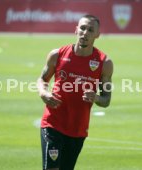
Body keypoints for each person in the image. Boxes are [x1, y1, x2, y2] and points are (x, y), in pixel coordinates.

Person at [37, 14, 113, 170]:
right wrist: (43, 93)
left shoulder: (104, 63)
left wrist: (96, 97)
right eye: (83, 28)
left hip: (77, 129)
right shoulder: (57, 55)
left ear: (97, 35)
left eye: (90, 30)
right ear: (76, 30)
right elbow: (42, 80)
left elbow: (106, 100)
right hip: (53, 122)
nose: (85, 33)